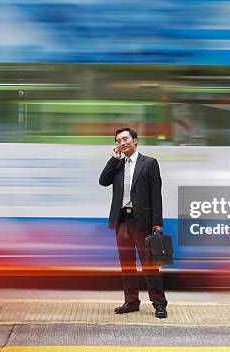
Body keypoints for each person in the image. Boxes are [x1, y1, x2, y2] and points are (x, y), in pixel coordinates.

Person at [99, 127, 168, 318]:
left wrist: (158, 222)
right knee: (127, 264)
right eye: (118, 140)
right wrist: (113, 159)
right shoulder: (118, 164)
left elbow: (156, 194)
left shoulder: (149, 163)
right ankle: (131, 302)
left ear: (135, 141)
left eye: (125, 139)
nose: (122, 143)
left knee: (149, 265)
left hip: (142, 221)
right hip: (122, 221)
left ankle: (159, 304)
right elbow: (103, 181)